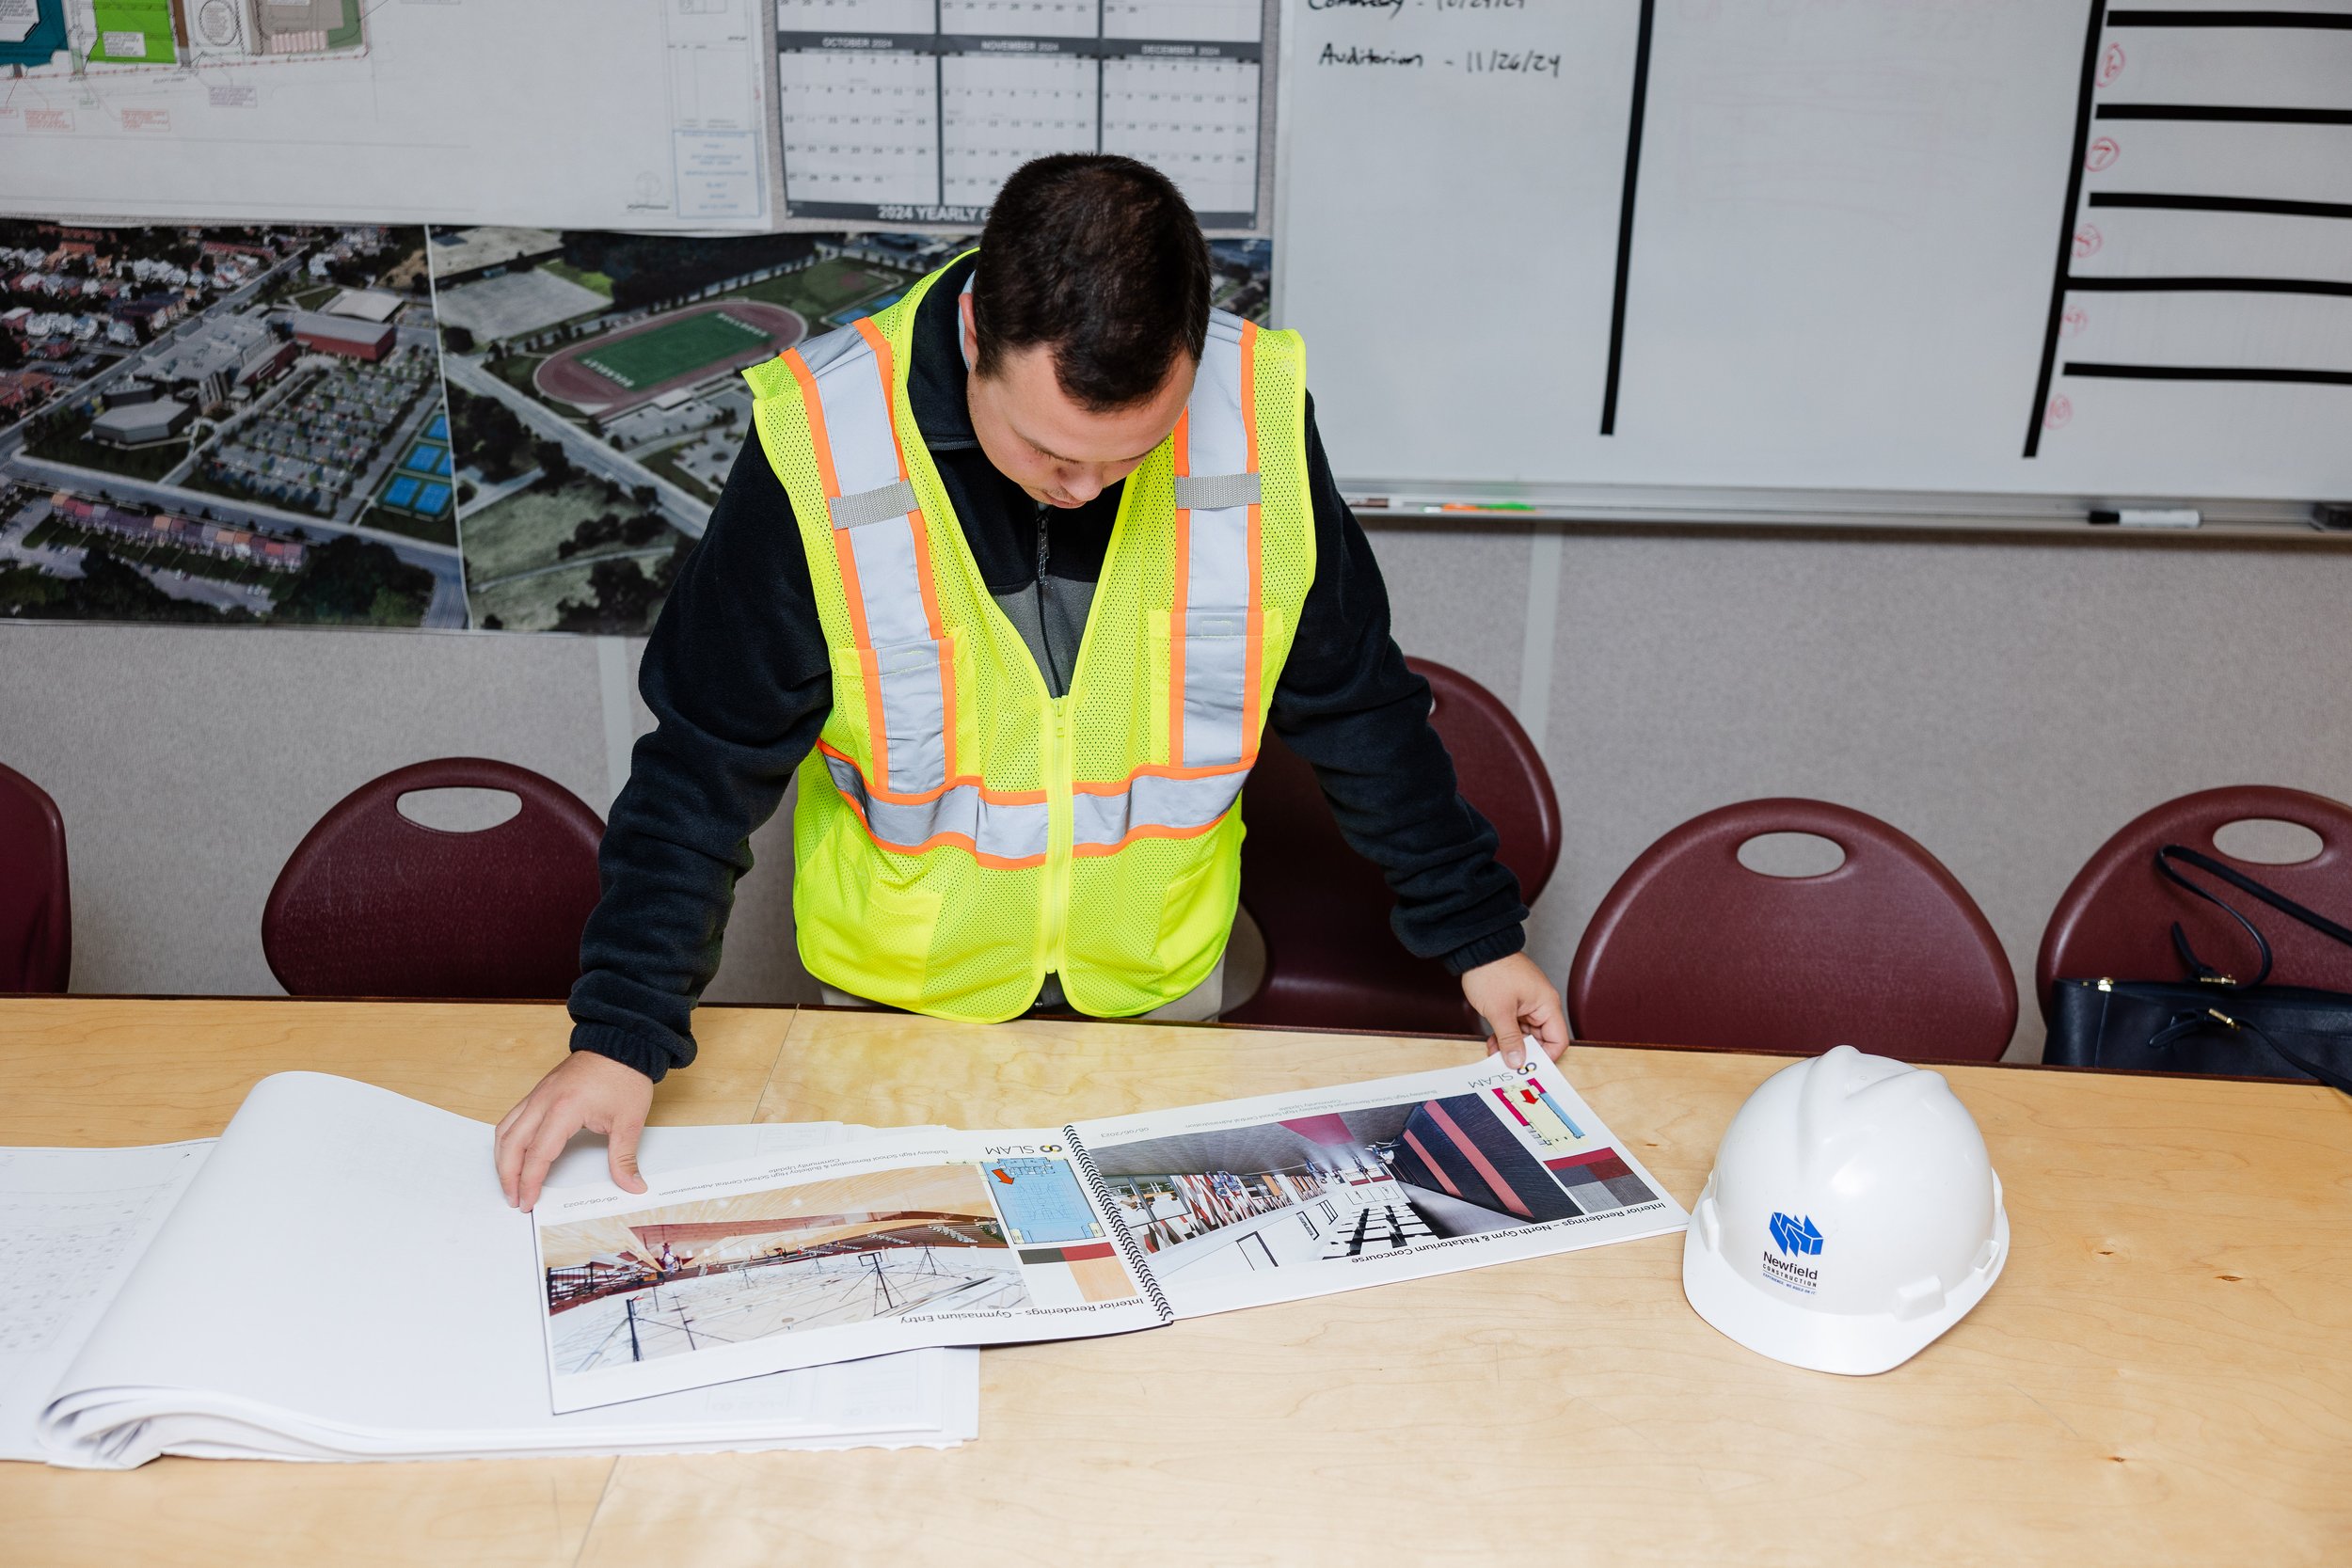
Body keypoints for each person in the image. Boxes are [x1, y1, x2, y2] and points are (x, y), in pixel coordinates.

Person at [494, 154, 1565, 1211]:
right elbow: (702, 763)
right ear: (974, 337)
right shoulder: (827, 441)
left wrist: (1480, 938)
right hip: (899, 1000)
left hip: (1158, 990)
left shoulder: (1258, 413)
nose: (1087, 487)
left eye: (1129, 455)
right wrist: (621, 1036)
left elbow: (1358, 706)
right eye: (1051, 450)